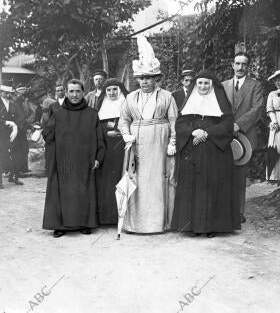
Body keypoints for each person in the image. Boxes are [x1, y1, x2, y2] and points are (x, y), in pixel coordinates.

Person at [118, 35, 178, 234]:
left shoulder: (167, 96)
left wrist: (172, 142)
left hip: (159, 143)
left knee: (158, 180)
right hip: (137, 143)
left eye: (149, 77)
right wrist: (126, 134)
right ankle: (136, 223)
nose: (145, 81)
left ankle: (158, 223)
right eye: (141, 78)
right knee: (137, 178)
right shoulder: (130, 98)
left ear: (156, 78)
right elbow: (124, 120)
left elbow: (174, 121)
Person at [171, 70, 240, 237]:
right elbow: (180, 124)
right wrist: (194, 132)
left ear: (212, 85)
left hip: (215, 152)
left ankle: (212, 227)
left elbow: (228, 125)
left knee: (213, 187)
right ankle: (191, 226)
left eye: (206, 83)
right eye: (200, 83)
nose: (202, 86)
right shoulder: (189, 102)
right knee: (192, 187)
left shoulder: (221, 102)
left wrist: (207, 133)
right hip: (192, 151)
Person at [42, 79, 106, 238]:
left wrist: (98, 157)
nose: (75, 95)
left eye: (78, 91)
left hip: (85, 162)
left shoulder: (92, 114)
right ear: (66, 93)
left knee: (83, 191)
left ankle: (84, 223)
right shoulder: (58, 113)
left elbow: (100, 139)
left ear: (83, 92)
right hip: (63, 162)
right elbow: (48, 135)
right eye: (71, 91)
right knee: (62, 193)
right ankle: (60, 226)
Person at [222, 53, 263, 223]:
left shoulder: (255, 86)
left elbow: (257, 109)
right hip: (223, 136)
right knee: (223, 174)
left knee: (239, 175)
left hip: (244, 138)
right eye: (237, 64)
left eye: (244, 64)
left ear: (248, 67)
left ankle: (238, 212)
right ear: (232, 65)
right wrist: (224, 126)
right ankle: (223, 210)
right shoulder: (223, 85)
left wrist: (238, 125)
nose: (240, 68)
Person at [95, 78, 128, 224]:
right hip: (107, 148)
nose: (112, 93)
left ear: (120, 90)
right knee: (106, 181)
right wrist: (106, 133)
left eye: (115, 89)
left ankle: (122, 218)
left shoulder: (127, 104)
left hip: (123, 148)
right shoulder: (101, 106)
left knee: (122, 179)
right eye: (108, 90)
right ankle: (106, 217)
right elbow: (95, 127)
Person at [0, 84, 23, 188]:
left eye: (9, 92)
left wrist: (16, 126)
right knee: (2, 156)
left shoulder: (13, 104)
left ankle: (14, 178)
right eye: (5, 92)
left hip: (12, 134)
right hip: (1, 133)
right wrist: (6, 122)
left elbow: (20, 116)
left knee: (16, 155)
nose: (8, 94)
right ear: (1, 92)